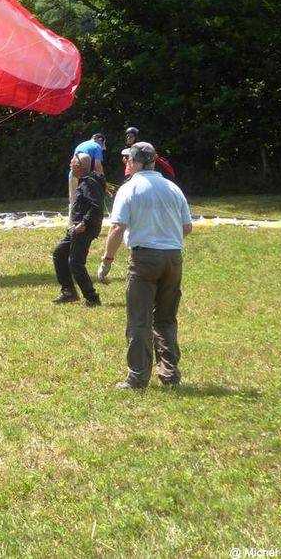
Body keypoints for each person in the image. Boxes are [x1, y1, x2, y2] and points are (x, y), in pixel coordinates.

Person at [97, 142, 193, 389]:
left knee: (140, 320)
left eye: (128, 159)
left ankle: (138, 377)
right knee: (166, 319)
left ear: (137, 162)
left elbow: (117, 227)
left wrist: (106, 262)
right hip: (173, 258)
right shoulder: (173, 188)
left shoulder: (129, 189)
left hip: (144, 259)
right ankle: (170, 375)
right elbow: (187, 227)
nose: (126, 163)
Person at [52, 152, 105, 306]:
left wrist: (84, 223)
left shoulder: (89, 183)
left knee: (75, 262)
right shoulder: (86, 181)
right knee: (59, 253)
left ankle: (92, 298)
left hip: (83, 229)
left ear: (79, 166)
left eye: (72, 162)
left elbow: (97, 207)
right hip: (77, 228)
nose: (70, 164)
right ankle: (69, 292)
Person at [68, 133, 106, 216]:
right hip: (83, 176)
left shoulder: (81, 144)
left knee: (73, 201)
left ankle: (72, 225)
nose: (104, 146)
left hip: (72, 174)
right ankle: (83, 224)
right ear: (100, 140)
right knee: (87, 200)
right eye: (104, 143)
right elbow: (97, 165)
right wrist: (102, 180)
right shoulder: (96, 146)